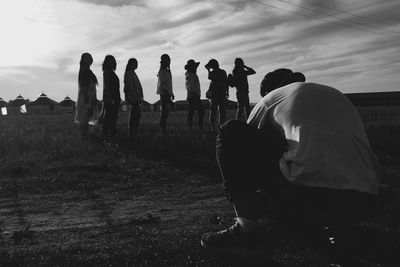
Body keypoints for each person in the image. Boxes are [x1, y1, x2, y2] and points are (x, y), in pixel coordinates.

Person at [201, 69, 380, 259]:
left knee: (229, 133)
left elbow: (244, 150)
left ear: (269, 90)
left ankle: (247, 230)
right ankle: (338, 225)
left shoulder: (271, 98)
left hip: (309, 194)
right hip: (366, 196)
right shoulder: (333, 94)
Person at [75, 52, 99, 140]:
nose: (89, 60)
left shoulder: (88, 71)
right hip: (85, 98)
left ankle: (85, 138)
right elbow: (83, 86)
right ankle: (83, 138)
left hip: (90, 97)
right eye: (87, 58)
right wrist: (86, 97)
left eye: (90, 58)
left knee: (87, 119)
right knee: (84, 119)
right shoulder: (84, 71)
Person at [205, 59, 229, 132]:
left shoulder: (213, 72)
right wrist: (227, 92)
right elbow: (226, 82)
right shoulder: (223, 72)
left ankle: (213, 127)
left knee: (213, 111)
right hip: (221, 93)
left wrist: (208, 70)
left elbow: (210, 77)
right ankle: (221, 126)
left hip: (215, 93)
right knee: (222, 111)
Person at [101, 55, 120, 139]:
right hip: (111, 97)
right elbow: (106, 86)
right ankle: (107, 134)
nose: (113, 62)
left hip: (115, 96)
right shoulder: (107, 72)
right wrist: (110, 98)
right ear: (107, 62)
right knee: (109, 116)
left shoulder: (111, 72)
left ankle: (110, 133)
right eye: (111, 61)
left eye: (114, 60)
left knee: (112, 116)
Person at [124, 58, 144, 137]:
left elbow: (138, 86)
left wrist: (141, 95)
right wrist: (135, 96)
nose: (136, 65)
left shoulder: (133, 73)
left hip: (136, 97)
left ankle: (133, 131)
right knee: (136, 114)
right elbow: (130, 86)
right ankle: (133, 131)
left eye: (137, 63)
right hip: (133, 98)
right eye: (134, 63)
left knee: (135, 114)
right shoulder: (129, 73)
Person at [157, 54, 174, 135]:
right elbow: (163, 84)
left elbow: (169, 84)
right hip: (164, 94)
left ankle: (163, 128)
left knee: (166, 111)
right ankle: (162, 129)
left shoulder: (166, 71)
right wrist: (168, 93)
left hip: (167, 93)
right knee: (165, 111)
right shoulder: (161, 71)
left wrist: (171, 93)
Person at [185, 59, 204, 131]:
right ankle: (198, 127)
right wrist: (195, 95)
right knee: (199, 111)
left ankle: (191, 127)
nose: (195, 68)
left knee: (192, 112)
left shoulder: (191, 74)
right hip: (194, 96)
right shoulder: (190, 75)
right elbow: (191, 87)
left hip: (193, 95)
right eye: (194, 67)